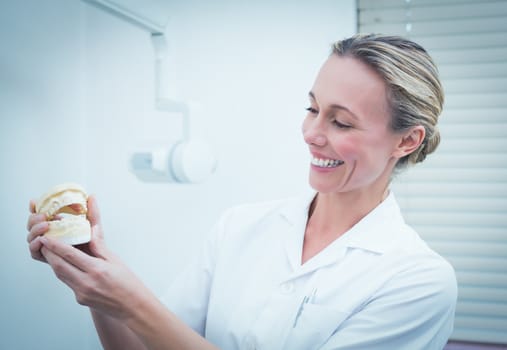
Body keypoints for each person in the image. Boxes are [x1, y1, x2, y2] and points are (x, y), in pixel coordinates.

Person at [27, 33, 457, 350]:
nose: (312, 133)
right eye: (312, 109)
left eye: (341, 122)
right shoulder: (241, 226)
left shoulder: (418, 281)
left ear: (407, 141)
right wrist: (95, 276)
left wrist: (132, 301)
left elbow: (148, 319)